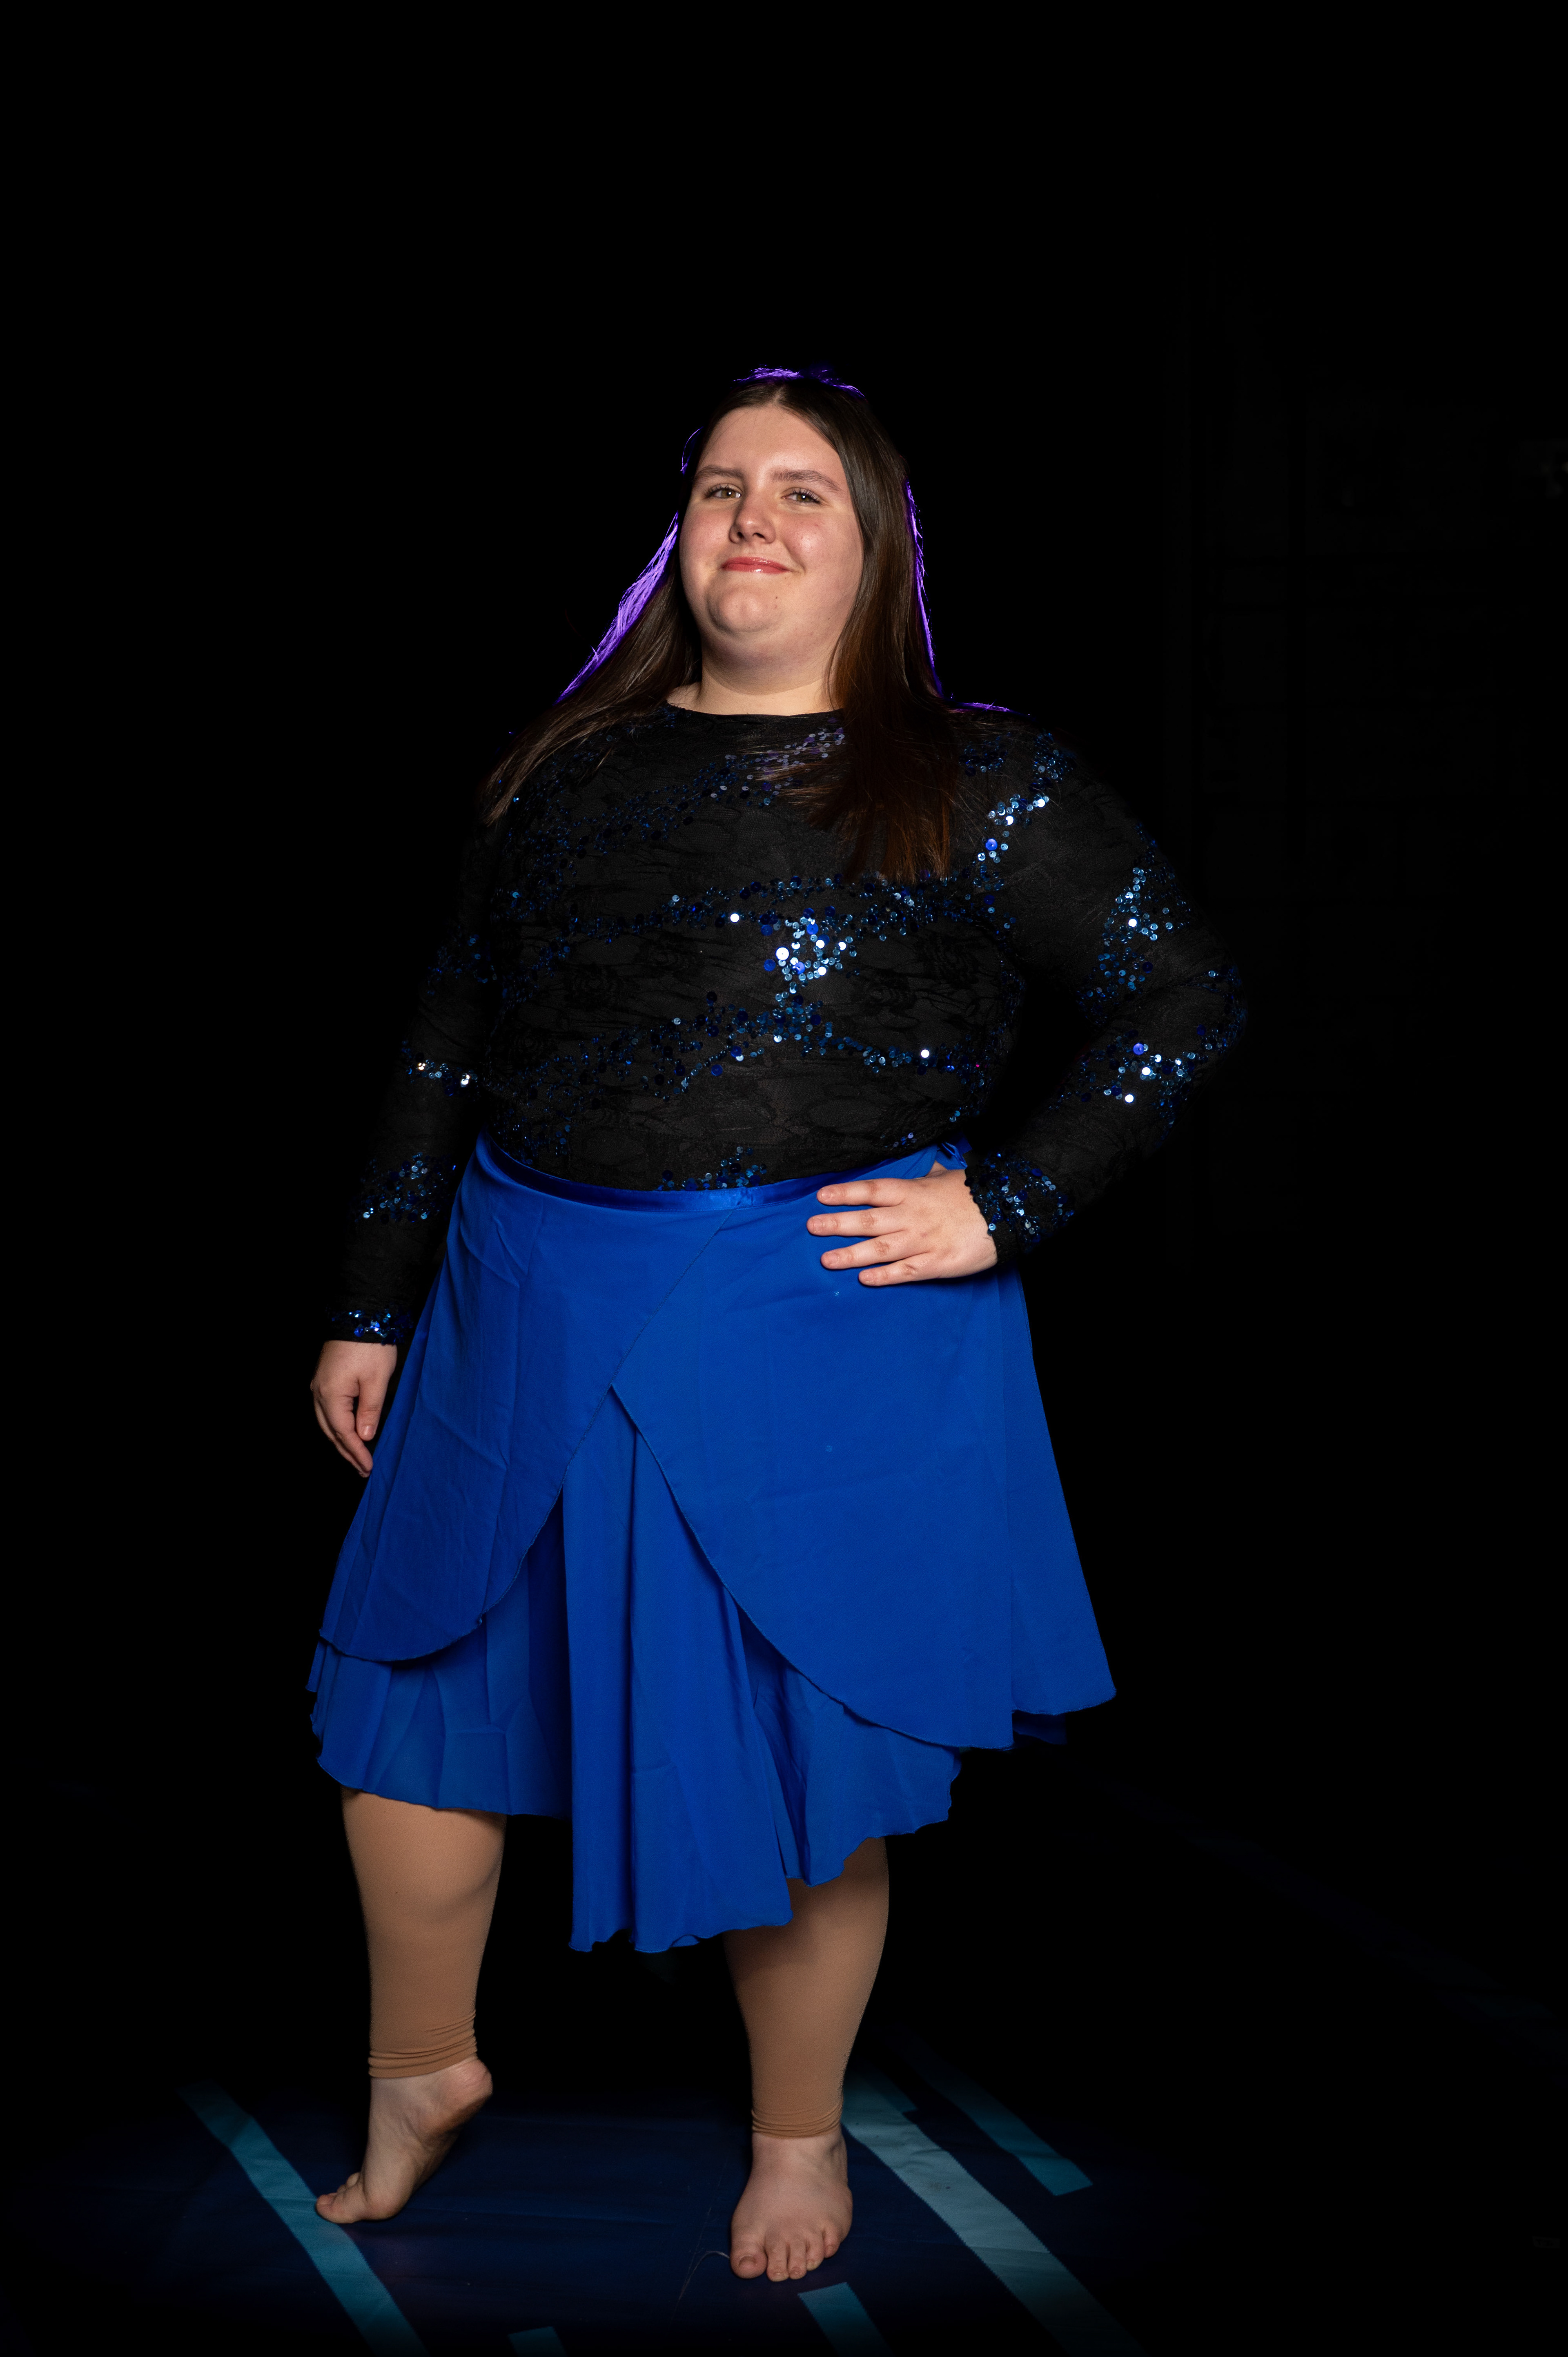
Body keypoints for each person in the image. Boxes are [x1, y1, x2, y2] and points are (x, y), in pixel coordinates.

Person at [305, 367, 1244, 2282]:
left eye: (804, 490)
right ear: (680, 538)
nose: (755, 518)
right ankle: (421, 2069)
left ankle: (799, 2141)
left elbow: (1184, 998)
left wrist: (1004, 1204)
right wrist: (369, 1303)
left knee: (799, 1755)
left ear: (878, 544)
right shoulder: (567, 767)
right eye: (723, 487)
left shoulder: (984, 776)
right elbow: (444, 1042)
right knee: (408, 1701)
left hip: (814, 1318)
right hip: (518, 1284)